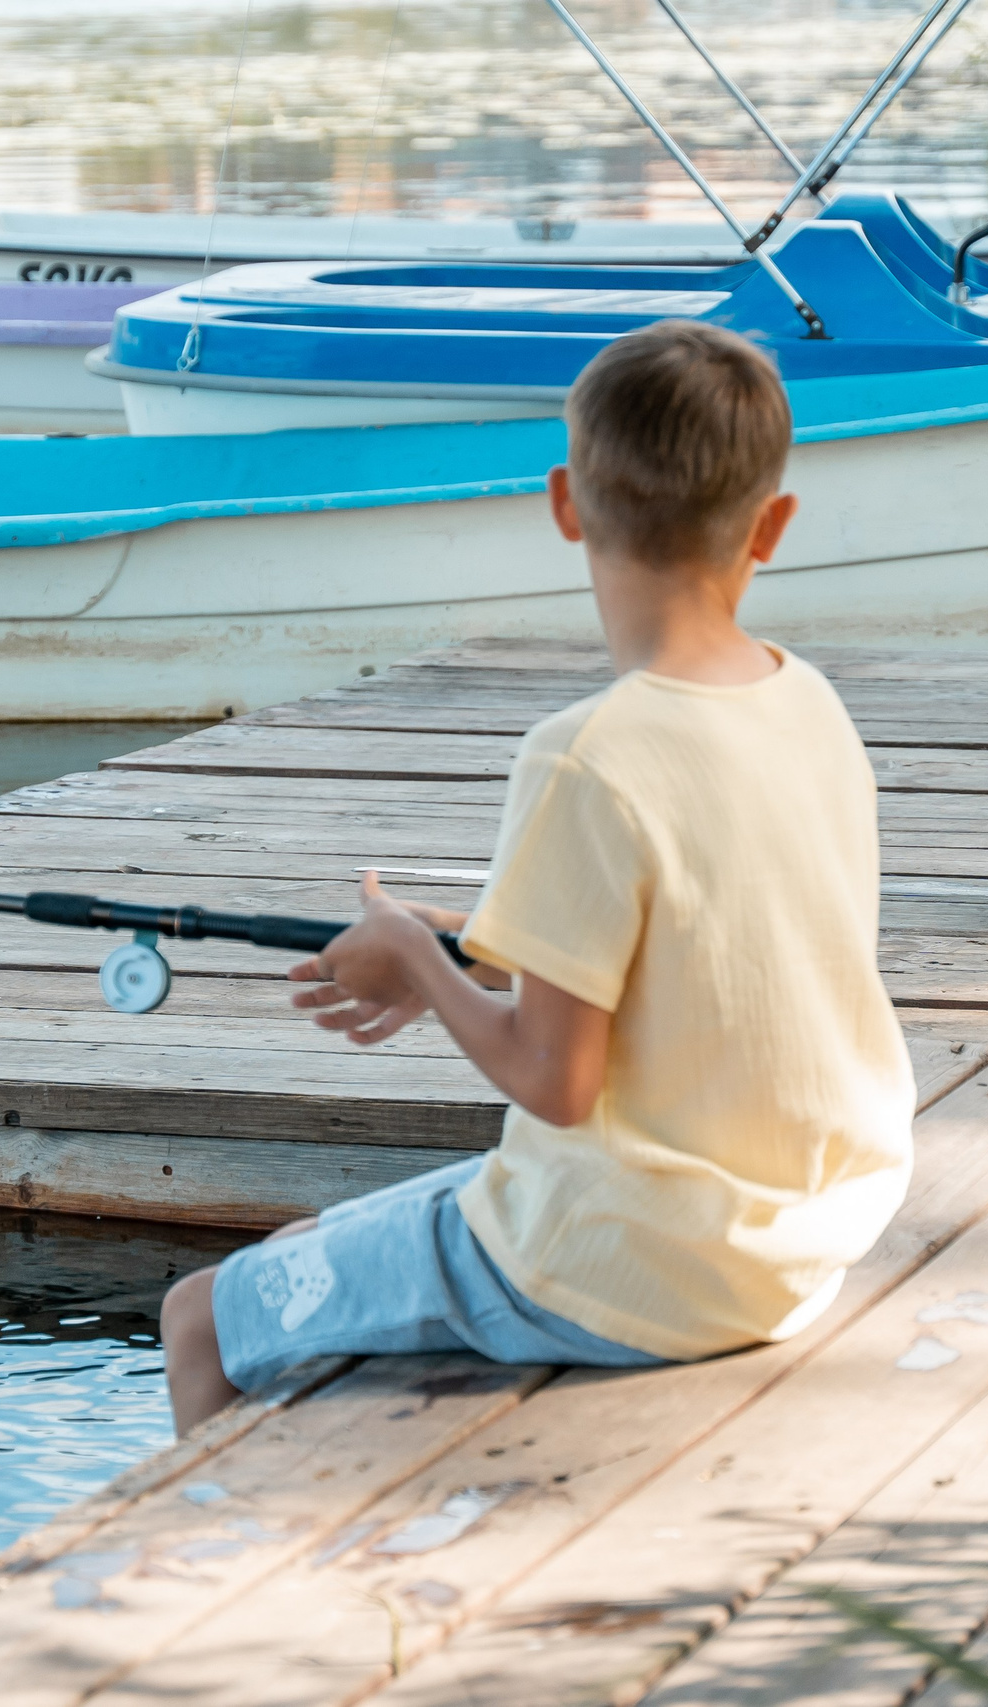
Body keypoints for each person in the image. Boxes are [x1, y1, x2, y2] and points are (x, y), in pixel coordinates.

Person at [160, 320, 917, 1436]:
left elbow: (555, 1081)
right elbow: (722, 935)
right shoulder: (805, 703)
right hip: (806, 1240)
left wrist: (413, 951)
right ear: (772, 525)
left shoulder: (585, 754)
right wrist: (471, 937)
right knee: (291, 1258)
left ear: (565, 502)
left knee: (197, 1319)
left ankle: (208, 1592)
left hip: (633, 1264)